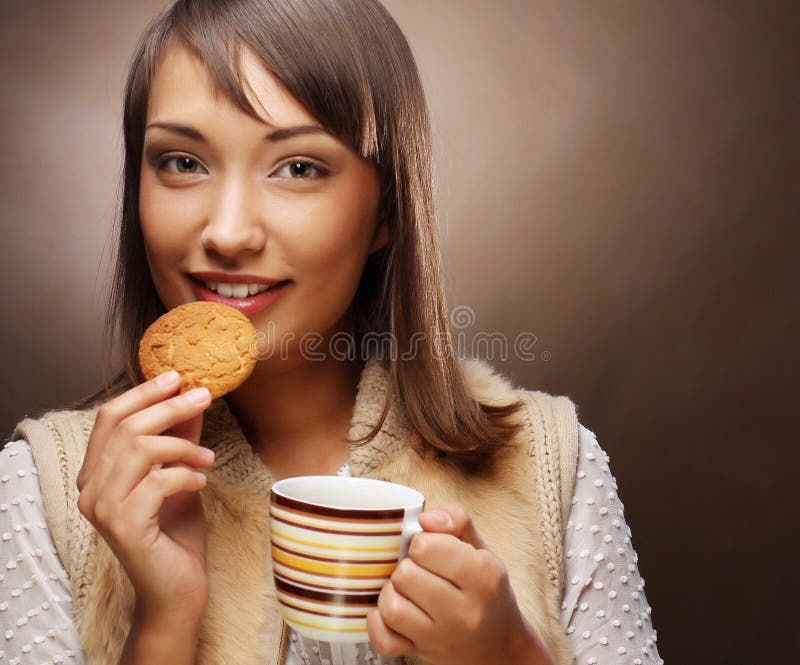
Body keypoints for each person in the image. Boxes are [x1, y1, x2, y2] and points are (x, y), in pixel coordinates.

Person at [0, 1, 662, 664]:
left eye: (298, 168)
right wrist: (165, 621)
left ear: (387, 212)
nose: (227, 232)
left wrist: (511, 653)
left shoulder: (551, 464)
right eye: (181, 162)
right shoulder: (44, 489)